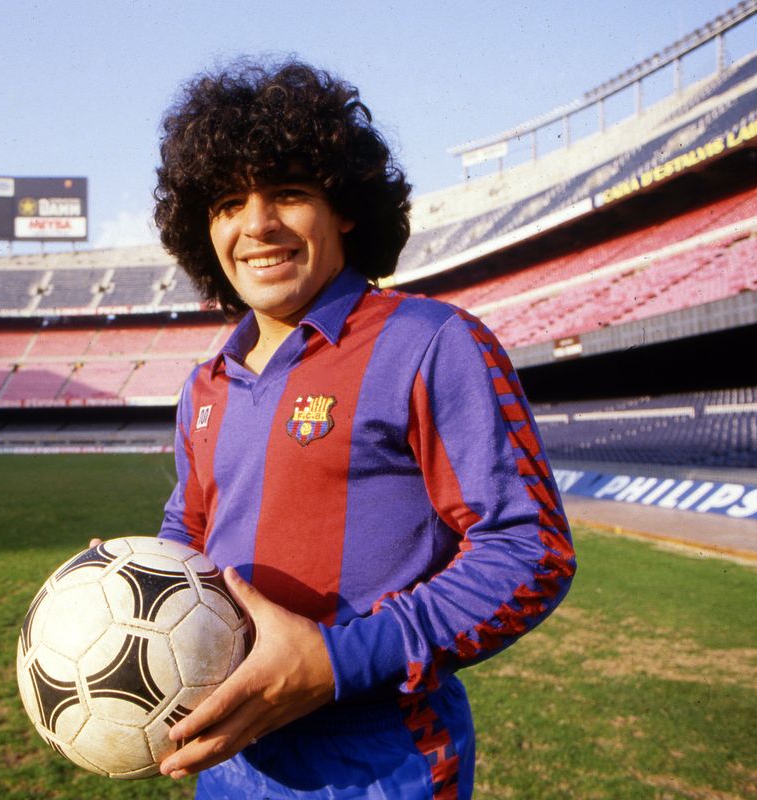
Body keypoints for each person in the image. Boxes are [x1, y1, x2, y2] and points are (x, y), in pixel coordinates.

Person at [152, 59, 576, 800]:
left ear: (344, 206)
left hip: (382, 762)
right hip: (230, 755)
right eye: (227, 203)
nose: (257, 225)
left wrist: (338, 660)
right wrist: (135, 578)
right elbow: (189, 529)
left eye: (287, 193)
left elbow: (529, 551)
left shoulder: (431, 342)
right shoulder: (205, 384)